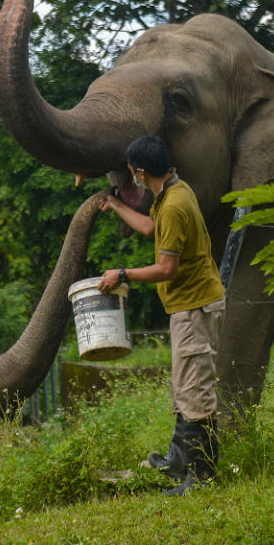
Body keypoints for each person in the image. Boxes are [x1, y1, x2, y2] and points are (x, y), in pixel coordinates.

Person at [96, 135, 225, 496]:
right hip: (189, 304)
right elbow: (153, 229)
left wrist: (121, 275)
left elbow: (166, 268)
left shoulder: (173, 205)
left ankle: (201, 477)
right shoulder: (173, 191)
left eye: (130, 173)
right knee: (184, 386)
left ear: (139, 172)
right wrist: (116, 206)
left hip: (194, 307)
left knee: (195, 391)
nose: (131, 177)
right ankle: (178, 461)